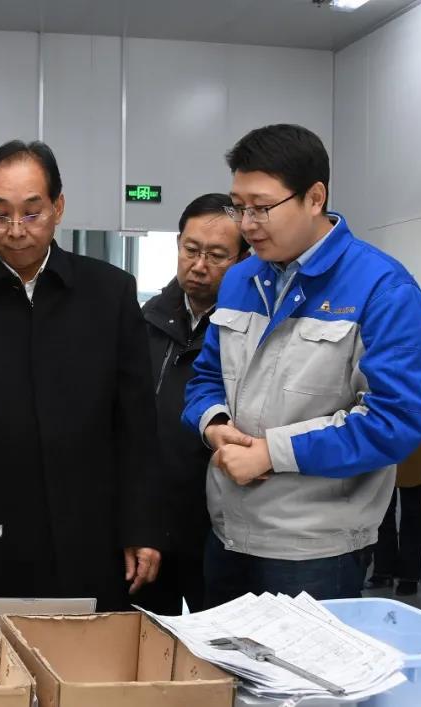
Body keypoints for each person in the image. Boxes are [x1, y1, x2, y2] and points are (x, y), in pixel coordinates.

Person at [0, 139, 163, 612]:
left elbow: (136, 423)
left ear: (58, 207)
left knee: (92, 655)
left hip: (91, 537)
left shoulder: (109, 294)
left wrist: (141, 524)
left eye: (32, 213)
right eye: (0, 215)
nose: (16, 230)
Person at [183, 124, 421, 606]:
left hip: (316, 551)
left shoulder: (383, 289)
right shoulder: (239, 280)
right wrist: (214, 426)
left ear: (315, 197)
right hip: (227, 533)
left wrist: (271, 453)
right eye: (239, 206)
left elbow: (394, 422)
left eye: (261, 207)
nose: (247, 224)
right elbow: (206, 378)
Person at [135, 193, 248, 616]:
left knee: (221, 638)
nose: (199, 266)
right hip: (151, 521)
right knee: (145, 635)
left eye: (217, 256)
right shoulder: (146, 320)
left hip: (218, 525)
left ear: (243, 258)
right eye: (191, 250)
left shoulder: (247, 329)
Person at [367, 349, 421, 596]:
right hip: (386, 443)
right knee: (382, 511)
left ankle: (410, 575)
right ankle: (383, 570)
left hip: (415, 447)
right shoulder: (387, 350)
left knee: (412, 512)